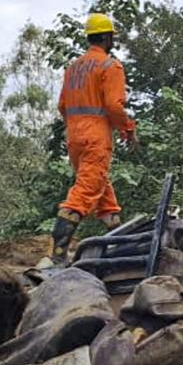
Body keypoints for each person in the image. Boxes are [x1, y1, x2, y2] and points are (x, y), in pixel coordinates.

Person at [47, 14, 136, 264]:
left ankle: (118, 238)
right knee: (85, 191)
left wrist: (76, 128)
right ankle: (58, 254)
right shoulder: (110, 66)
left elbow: (62, 104)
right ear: (107, 37)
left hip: (75, 136)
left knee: (100, 188)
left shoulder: (73, 67)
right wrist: (127, 128)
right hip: (96, 136)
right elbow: (113, 105)